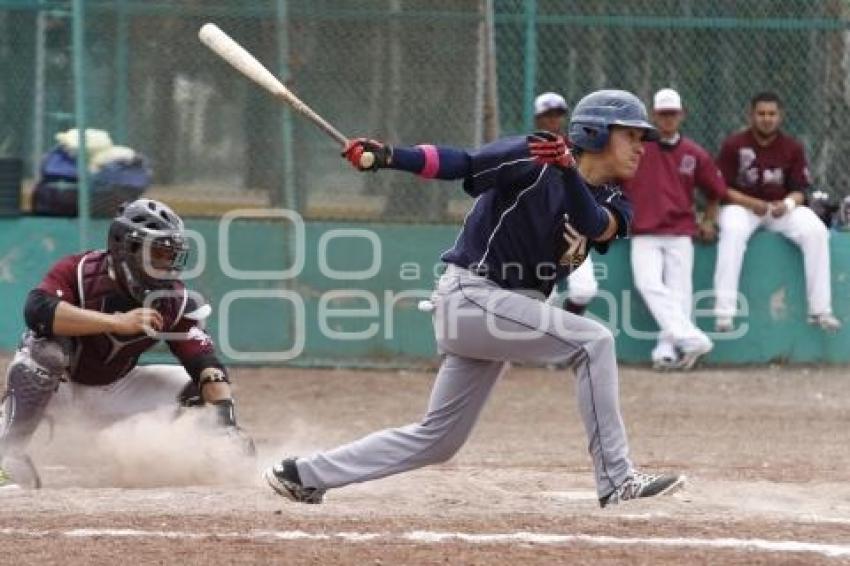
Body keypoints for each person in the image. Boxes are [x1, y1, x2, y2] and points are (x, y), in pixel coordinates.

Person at [264, 90, 685, 508]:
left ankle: (303, 474)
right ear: (595, 133)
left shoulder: (615, 201)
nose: (640, 148)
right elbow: (462, 164)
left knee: (438, 440)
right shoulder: (533, 155)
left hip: (503, 312)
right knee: (594, 342)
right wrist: (392, 155)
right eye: (630, 135)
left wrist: (569, 172)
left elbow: (593, 223)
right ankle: (616, 480)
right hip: (473, 295)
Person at [0, 198, 250, 489]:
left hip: (116, 389)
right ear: (126, 248)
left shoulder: (174, 300)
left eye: (171, 256)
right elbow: (37, 311)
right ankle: (8, 456)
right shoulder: (78, 271)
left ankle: (179, 462)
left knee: (193, 387)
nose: (166, 266)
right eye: (158, 253)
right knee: (44, 353)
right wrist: (116, 322)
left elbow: (205, 363)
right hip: (61, 389)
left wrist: (226, 424)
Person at [713, 92, 840, 332]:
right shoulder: (734, 144)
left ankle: (820, 310)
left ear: (780, 116)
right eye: (761, 113)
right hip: (743, 208)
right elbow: (722, 189)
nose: (766, 119)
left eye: (772, 114)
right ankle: (724, 314)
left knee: (815, 230)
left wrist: (788, 205)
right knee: (733, 230)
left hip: (779, 209)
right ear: (751, 115)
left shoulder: (792, 147)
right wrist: (751, 203)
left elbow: (800, 190)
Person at [622, 88, 726, 370]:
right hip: (644, 230)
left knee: (679, 292)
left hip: (680, 231)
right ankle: (692, 338)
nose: (668, 119)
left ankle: (666, 350)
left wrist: (708, 220)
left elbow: (715, 191)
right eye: (663, 114)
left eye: (672, 114)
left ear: (682, 115)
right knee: (649, 284)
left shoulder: (694, 153)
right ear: (654, 115)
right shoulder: (637, 147)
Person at [534, 92, 598, 316]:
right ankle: (534, 346)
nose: (553, 120)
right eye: (548, 115)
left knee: (584, 289)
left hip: (571, 229)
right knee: (541, 296)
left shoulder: (578, 149)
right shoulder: (527, 148)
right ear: (537, 118)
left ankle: (565, 335)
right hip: (538, 232)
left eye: (558, 114)